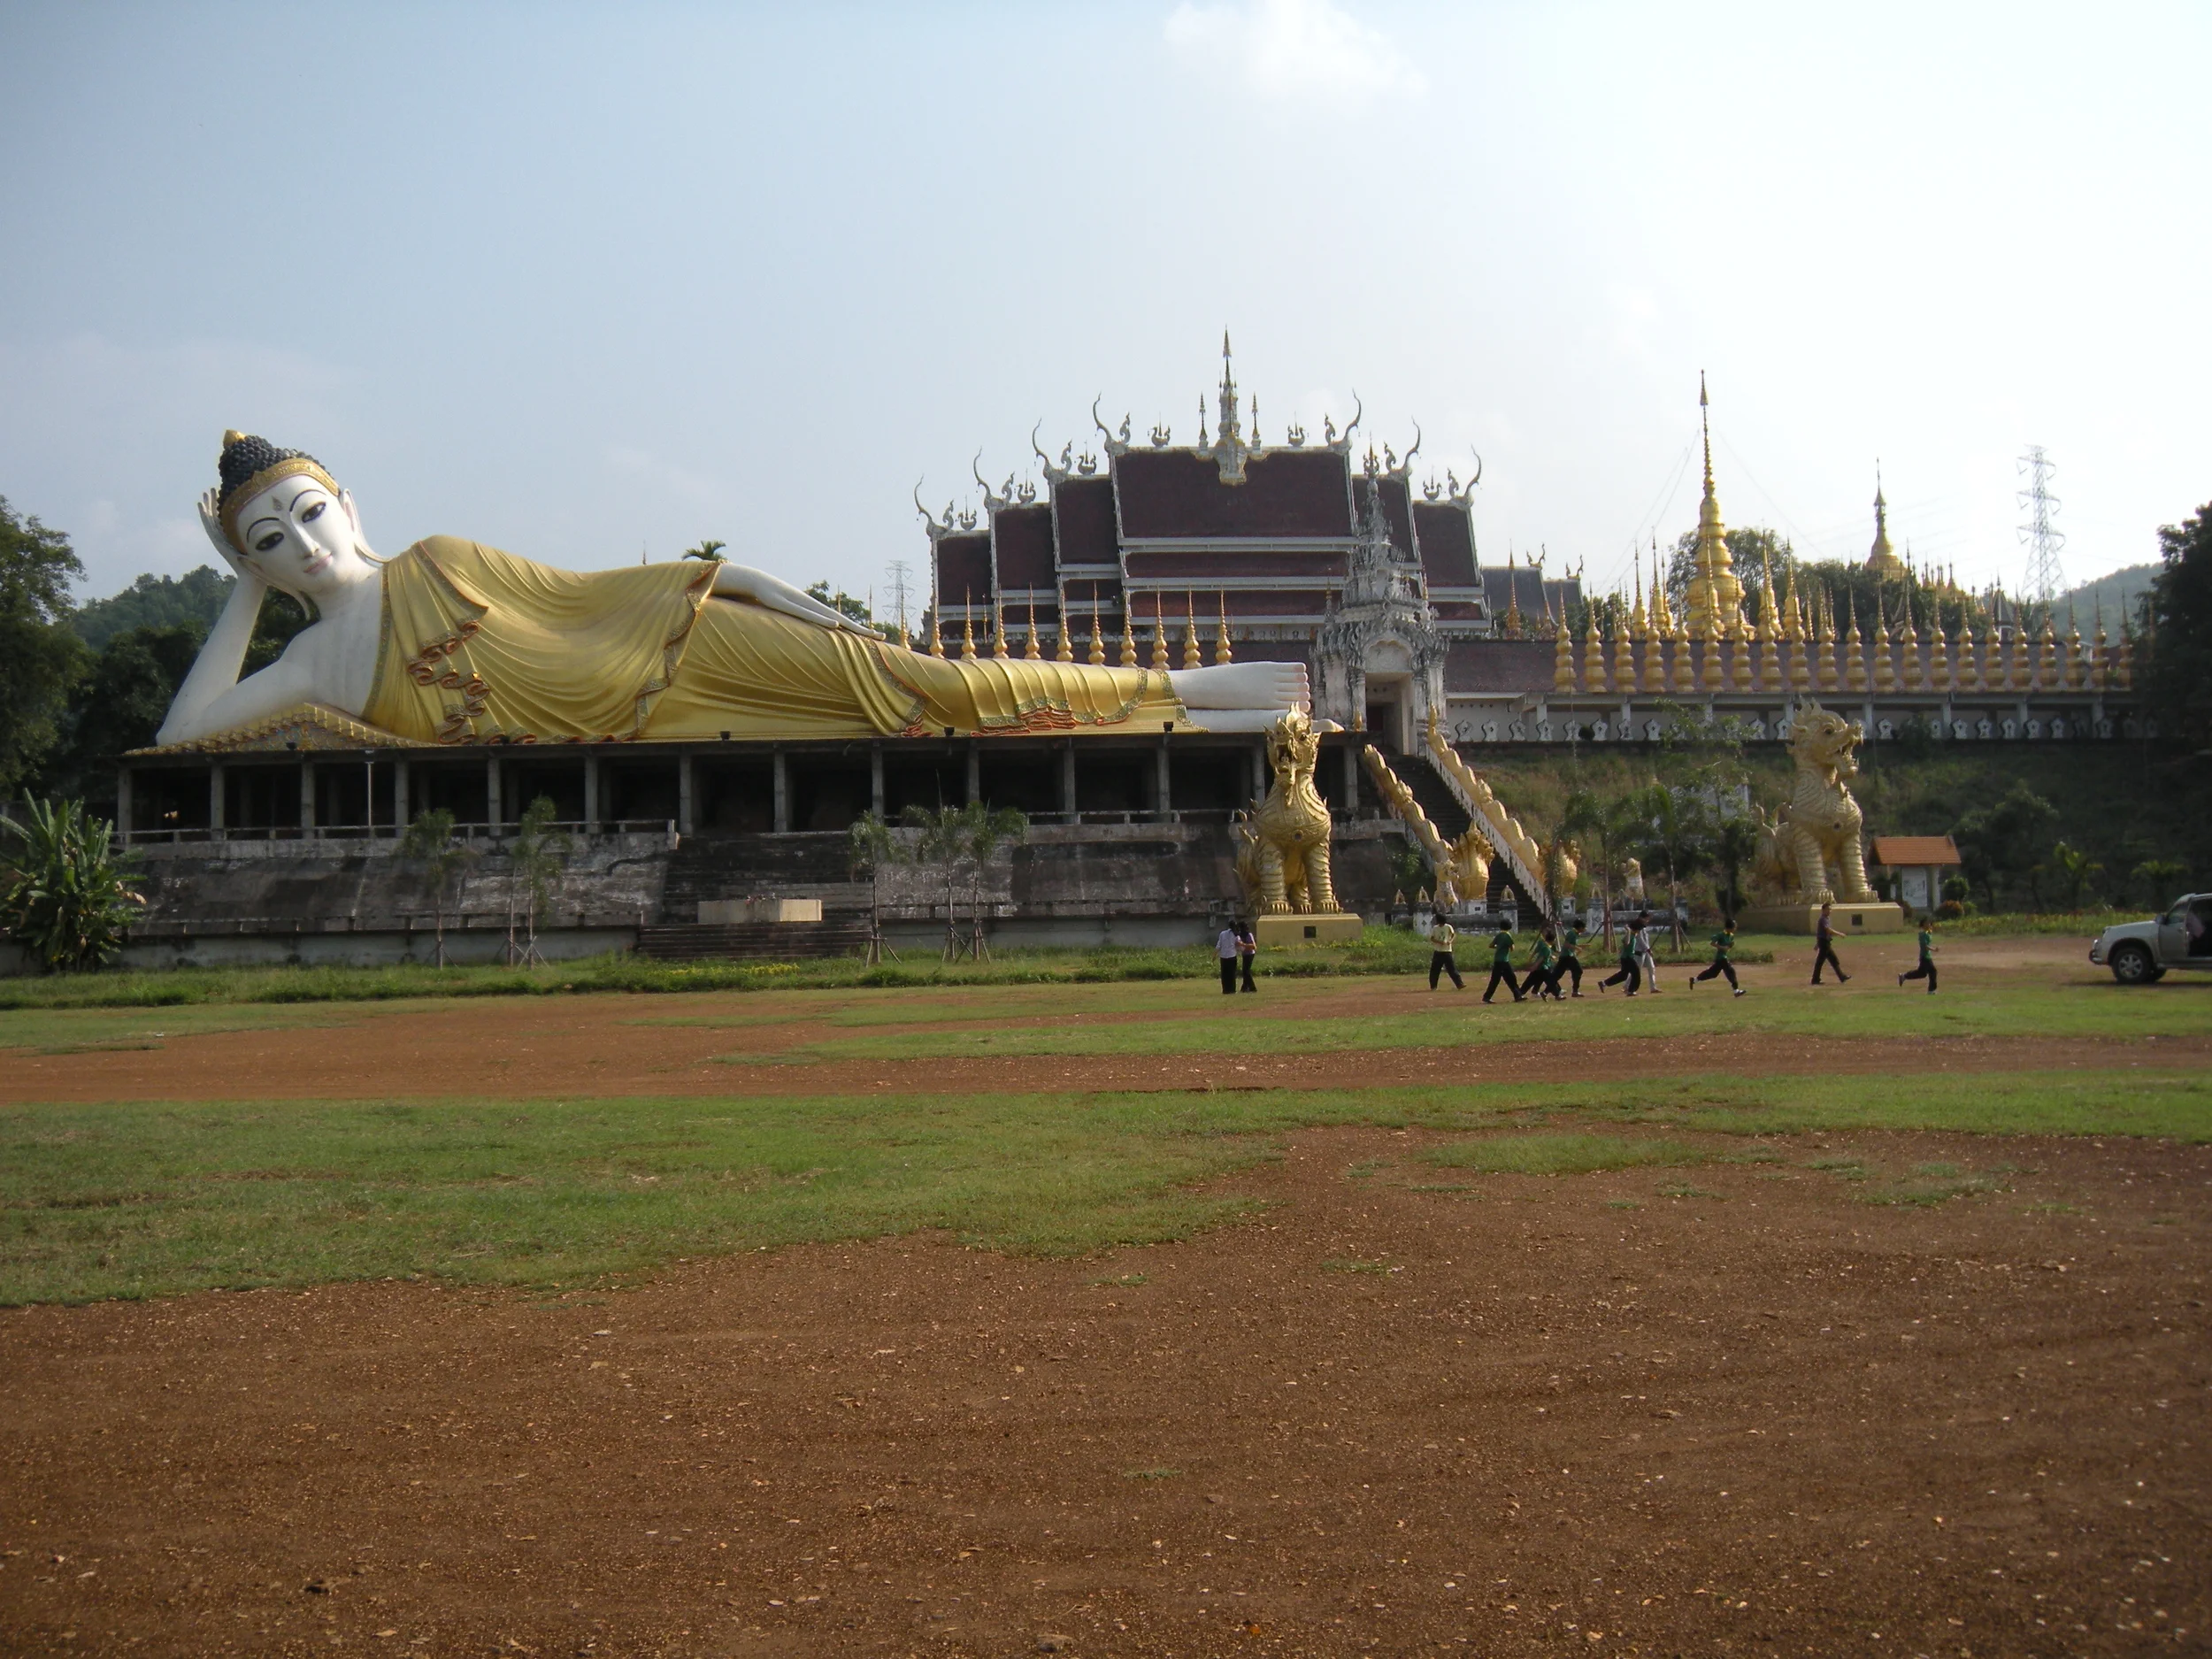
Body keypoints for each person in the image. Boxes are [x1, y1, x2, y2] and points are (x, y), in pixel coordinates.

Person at [156, 434, 1315, 749]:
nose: (303, 544)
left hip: (686, 655)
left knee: (928, 685)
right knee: (920, 710)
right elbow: (185, 732)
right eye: (270, 540)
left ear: (348, 503)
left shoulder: (443, 561)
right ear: (251, 565)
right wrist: (238, 589)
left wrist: (788, 599)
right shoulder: (312, 665)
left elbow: (601, 594)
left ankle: (1195, 686)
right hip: (647, 735)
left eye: (310, 512)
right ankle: (1203, 697)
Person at [1691, 917, 1744, 995]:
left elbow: (1728, 946)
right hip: (1721, 957)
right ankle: (1736, 991)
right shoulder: (1721, 934)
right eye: (1734, 927)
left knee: (1713, 974)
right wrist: (1722, 947)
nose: (1735, 928)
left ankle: (1694, 980)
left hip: (1721, 959)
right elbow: (1712, 943)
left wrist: (1730, 946)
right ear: (1729, 927)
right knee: (1731, 971)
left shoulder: (1731, 936)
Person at [1482, 918, 1525, 1002]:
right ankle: (1518, 996)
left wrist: (1498, 947)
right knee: (1511, 979)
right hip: (1504, 961)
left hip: (1497, 960)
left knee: (1495, 980)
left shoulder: (1499, 935)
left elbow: (1491, 945)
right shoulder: (1507, 935)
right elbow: (1512, 948)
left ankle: (1487, 997)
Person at [1811, 899, 1850, 985]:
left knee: (1827, 961)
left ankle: (1841, 977)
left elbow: (1821, 932)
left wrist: (1817, 944)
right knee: (1830, 960)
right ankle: (1816, 979)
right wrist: (1839, 934)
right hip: (1824, 943)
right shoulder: (1823, 919)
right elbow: (1827, 930)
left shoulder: (1826, 918)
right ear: (1823, 910)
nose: (1830, 911)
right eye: (1828, 909)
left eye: (1830, 909)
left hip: (1824, 942)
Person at [1598, 920, 1640, 995]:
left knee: (1623, 975)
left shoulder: (1633, 935)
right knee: (1636, 973)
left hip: (1627, 957)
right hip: (1627, 958)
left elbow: (1629, 948)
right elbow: (1626, 944)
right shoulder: (1629, 935)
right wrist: (1628, 931)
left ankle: (1604, 983)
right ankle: (1631, 990)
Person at [1898, 918, 1938, 994]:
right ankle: (1931, 991)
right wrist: (1934, 949)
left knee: (1922, 973)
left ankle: (1903, 976)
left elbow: (1929, 934)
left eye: (1929, 923)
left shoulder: (1927, 933)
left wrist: (1930, 930)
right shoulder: (1922, 935)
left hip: (1927, 957)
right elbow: (1925, 946)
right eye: (1927, 923)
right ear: (1923, 925)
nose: (1929, 924)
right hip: (1925, 957)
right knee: (1933, 971)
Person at [1427, 912, 1465, 991]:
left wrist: (1450, 941)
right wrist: (1439, 942)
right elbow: (1432, 938)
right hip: (1438, 951)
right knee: (1435, 970)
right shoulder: (1435, 928)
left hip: (1447, 951)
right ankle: (1433, 986)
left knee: (1452, 969)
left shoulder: (1448, 927)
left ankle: (1459, 984)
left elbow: (1453, 934)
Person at [1527, 924, 1561, 999]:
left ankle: (1533, 992)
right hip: (1543, 966)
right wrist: (1533, 963)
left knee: (1540, 980)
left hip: (1546, 964)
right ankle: (1557, 993)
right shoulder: (1542, 943)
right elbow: (1539, 954)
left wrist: (1554, 956)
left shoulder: (1548, 943)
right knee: (1550, 979)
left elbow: (1553, 951)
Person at [1633, 909, 1663, 994]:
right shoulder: (1637, 926)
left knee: (1651, 968)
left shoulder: (1643, 926)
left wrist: (1648, 949)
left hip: (1646, 951)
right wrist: (1648, 949)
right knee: (1637, 970)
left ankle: (1653, 988)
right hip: (1640, 951)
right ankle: (1628, 986)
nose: (1648, 920)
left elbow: (1645, 939)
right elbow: (1640, 940)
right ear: (1643, 918)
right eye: (1647, 918)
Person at [1555, 918, 1585, 997]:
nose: (1584, 929)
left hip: (1567, 956)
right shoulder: (1572, 933)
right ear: (1580, 927)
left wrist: (1579, 947)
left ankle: (1546, 991)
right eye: (1584, 927)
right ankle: (1575, 991)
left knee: (1557, 975)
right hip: (1567, 956)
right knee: (1578, 971)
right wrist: (1577, 948)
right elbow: (1566, 945)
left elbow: (1571, 944)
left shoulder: (1575, 934)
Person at [1217, 923, 1241, 995]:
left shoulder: (1222, 933)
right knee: (1232, 974)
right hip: (1232, 956)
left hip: (1223, 956)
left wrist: (1214, 954)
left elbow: (1219, 945)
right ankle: (1232, 989)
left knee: (1224, 974)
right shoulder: (1236, 935)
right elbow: (1238, 944)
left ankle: (1225, 990)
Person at [1236, 922, 1259, 993]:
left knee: (1246, 971)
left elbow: (1253, 946)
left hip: (1250, 954)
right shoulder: (1240, 935)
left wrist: (1243, 944)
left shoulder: (1249, 935)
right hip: (1245, 954)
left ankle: (1252, 987)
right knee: (1245, 971)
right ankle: (1244, 988)